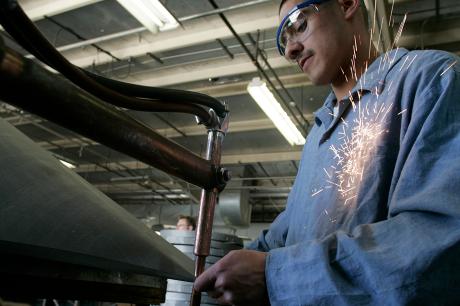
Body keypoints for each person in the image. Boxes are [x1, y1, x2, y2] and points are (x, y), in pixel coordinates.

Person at [194, 0, 460, 305]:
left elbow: (442, 242)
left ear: (346, 4)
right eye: (283, 40)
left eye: (300, 24)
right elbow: (288, 233)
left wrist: (276, 275)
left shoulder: (428, 80)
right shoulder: (319, 135)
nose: (291, 50)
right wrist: (217, 264)